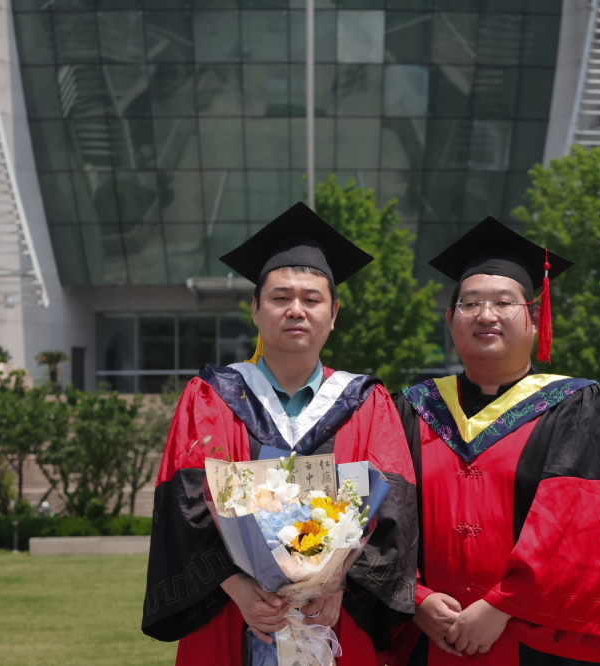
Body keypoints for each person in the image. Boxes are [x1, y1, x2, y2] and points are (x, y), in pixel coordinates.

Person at [142, 202, 417, 666]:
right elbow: (184, 504)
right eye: (280, 297)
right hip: (231, 615)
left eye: (312, 299)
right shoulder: (212, 397)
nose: (296, 310)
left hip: (334, 618)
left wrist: (339, 585)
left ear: (333, 313)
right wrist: (236, 587)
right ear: (255, 310)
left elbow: (395, 513)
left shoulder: (367, 403)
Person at [390, 217, 600, 665]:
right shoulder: (410, 409)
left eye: (503, 302)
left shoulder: (575, 406)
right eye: (470, 303)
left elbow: (585, 526)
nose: (485, 314)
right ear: (450, 320)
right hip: (428, 636)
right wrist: (414, 598)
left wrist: (500, 606)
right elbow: (378, 515)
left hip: (539, 641)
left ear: (534, 319)